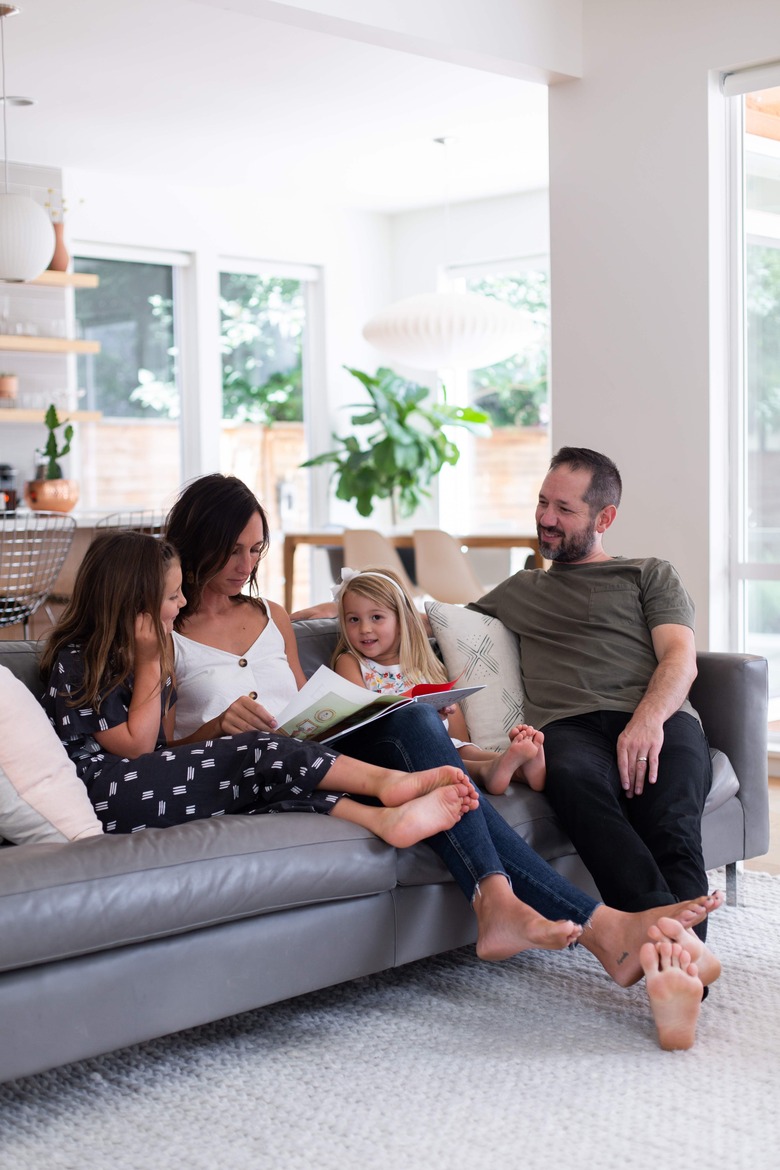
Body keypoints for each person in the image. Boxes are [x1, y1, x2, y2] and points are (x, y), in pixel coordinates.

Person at [164, 473, 724, 1049]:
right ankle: (591, 924)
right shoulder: (162, 626)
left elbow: (311, 698)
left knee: (412, 718)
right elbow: (153, 753)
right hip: (253, 768)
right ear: (199, 541)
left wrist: (650, 719)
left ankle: (573, 926)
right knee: (459, 771)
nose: (245, 563)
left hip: (319, 752)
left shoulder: (270, 614)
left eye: (255, 550)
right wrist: (219, 723)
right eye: (234, 550)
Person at [40, 530, 481, 849]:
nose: (182, 603)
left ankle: (383, 820)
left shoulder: (160, 653)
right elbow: (136, 751)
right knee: (259, 751)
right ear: (133, 601)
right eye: (172, 596)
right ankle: (391, 785)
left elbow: (168, 745)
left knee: (272, 778)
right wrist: (151, 660)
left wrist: (168, 675)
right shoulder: (80, 658)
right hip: (107, 793)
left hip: (154, 781)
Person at [469, 446, 714, 943]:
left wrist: (646, 721)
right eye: (542, 502)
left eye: (564, 509)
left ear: (605, 517)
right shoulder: (520, 589)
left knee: (671, 824)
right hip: (570, 726)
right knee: (579, 790)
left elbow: (679, 659)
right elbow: (418, 618)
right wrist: (326, 611)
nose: (545, 518)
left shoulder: (648, 573)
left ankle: (678, 967)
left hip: (660, 718)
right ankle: (677, 957)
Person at [331, 565, 545, 795]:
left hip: (440, 747)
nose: (364, 628)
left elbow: (459, 738)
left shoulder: (423, 666)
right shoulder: (351, 662)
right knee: (445, 754)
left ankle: (517, 766)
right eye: (353, 619)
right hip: (390, 752)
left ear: (402, 621)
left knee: (464, 750)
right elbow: (363, 718)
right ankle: (489, 771)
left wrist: (442, 714)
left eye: (376, 617)